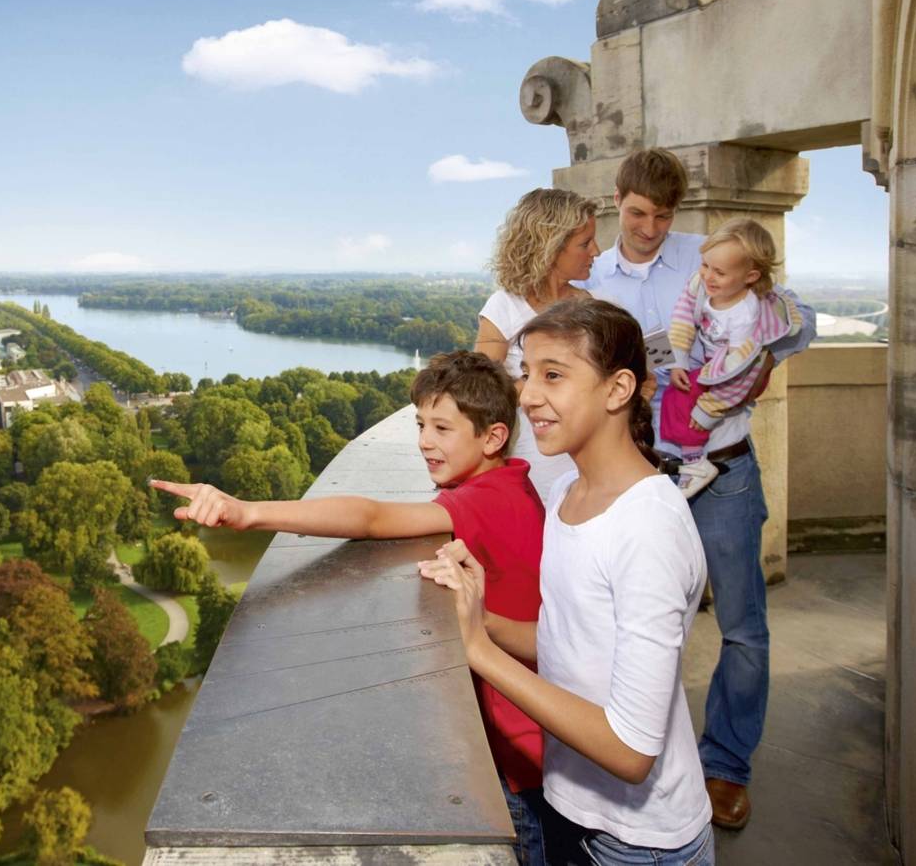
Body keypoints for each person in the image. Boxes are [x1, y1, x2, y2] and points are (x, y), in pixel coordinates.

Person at [150, 350, 552, 865]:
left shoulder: (481, 500)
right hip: (536, 748)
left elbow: (369, 517)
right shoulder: (513, 481)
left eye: (443, 428)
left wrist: (247, 512)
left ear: (492, 437)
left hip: (520, 765)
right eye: (421, 424)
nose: (425, 440)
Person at [425, 299, 713, 865]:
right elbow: (569, 643)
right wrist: (480, 615)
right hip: (570, 809)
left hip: (638, 844)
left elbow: (631, 751)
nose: (528, 394)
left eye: (552, 375)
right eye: (526, 373)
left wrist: (479, 652)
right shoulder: (566, 497)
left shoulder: (647, 528)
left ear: (617, 389)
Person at [582, 146, 815, 829]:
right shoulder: (591, 275)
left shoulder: (711, 254)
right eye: (637, 213)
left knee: (742, 627)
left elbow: (797, 320)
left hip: (724, 470)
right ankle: (633, 753)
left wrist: (762, 348)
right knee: (631, 623)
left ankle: (725, 768)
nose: (651, 228)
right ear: (616, 199)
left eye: (663, 215)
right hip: (635, 470)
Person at [662, 218, 806, 498]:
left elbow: (743, 373)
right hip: (715, 369)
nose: (707, 276)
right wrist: (678, 358)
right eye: (704, 265)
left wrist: (708, 409)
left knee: (683, 405)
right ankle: (694, 461)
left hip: (736, 376)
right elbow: (683, 313)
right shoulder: (704, 285)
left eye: (719, 272)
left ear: (750, 277)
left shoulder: (744, 319)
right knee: (674, 397)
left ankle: (695, 464)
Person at [476, 187, 601, 504]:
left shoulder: (588, 305)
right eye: (585, 243)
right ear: (552, 248)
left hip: (587, 459)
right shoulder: (502, 308)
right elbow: (481, 391)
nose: (597, 251)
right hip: (535, 465)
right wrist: (549, 381)